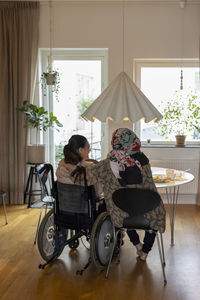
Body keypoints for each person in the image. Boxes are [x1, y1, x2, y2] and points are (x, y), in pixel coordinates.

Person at [56, 129, 166, 261]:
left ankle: (137, 245)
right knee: (150, 210)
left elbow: (82, 178)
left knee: (125, 207)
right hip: (149, 212)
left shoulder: (106, 164)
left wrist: (67, 164)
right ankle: (145, 251)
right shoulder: (144, 161)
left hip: (121, 214)